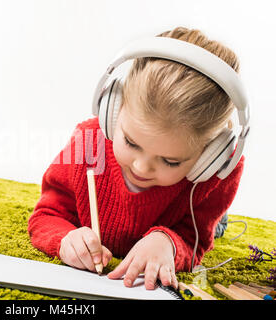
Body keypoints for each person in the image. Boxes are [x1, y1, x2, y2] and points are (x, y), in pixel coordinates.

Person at [27, 26, 245, 290]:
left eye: (170, 161)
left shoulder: (215, 174)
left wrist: (168, 243)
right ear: (112, 111)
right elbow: (47, 215)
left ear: (208, 158)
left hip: (189, 209)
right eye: (131, 142)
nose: (141, 167)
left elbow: (193, 240)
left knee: (217, 227)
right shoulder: (88, 141)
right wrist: (65, 239)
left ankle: (221, 221)